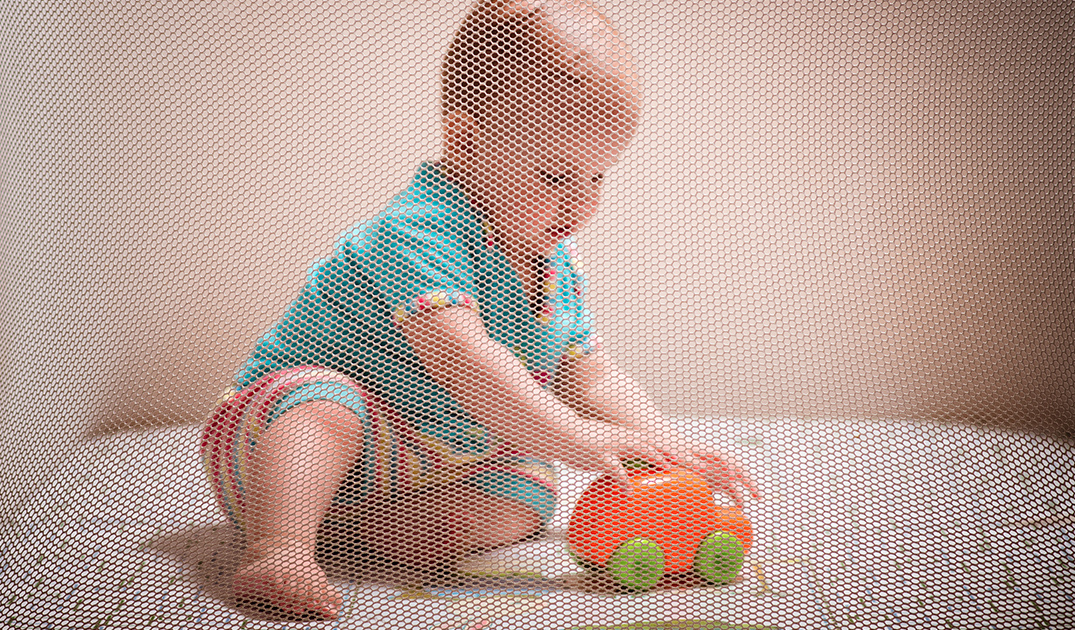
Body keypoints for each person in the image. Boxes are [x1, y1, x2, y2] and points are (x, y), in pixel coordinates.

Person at [200, 0, 759, 620]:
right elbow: (469, 365)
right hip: (282, 441)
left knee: (532, 486)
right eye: (553, 175)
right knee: (323, 405)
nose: (580, 203)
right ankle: (280, 544)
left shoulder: (552, 263)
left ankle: (357, 532)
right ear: (468, 137)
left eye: (599, 178)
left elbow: (591, 375)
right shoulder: (418, 233)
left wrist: (665, 444)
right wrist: (581, 436)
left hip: (426, 462)